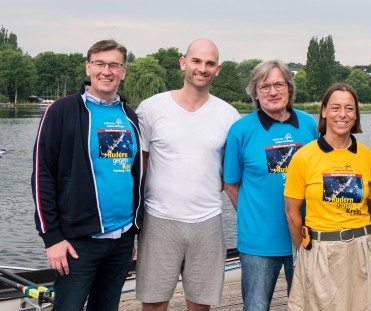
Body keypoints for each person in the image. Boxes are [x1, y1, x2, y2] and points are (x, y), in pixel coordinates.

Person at [32, 39, 143, 311]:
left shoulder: (129, 116)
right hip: (77, 242)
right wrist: (52, 238)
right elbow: (41, 176)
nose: (107, 71)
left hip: (122, 239)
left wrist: (134, 231)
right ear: (88, 68)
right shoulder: (61, 110)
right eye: (100, 64)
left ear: (123, 71)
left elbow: (134, 174)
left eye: (114, 65)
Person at [135, 39, 240, 311]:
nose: (202, 68)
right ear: (184, 63)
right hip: (159, 219)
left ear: (218, 69)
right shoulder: (151, 108)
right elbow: (139, 169)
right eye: (196, 61)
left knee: (200, 305)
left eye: (209, 63)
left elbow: (232, 173)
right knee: (154, 303)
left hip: (207, 220)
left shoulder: (229, 116)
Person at [223, 60, 318, 310]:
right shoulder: (240, 131)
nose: (273, 92)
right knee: (256, 306)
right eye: (265, 86)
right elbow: (231, 184)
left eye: (279, 84)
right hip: (258, 242)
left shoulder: (309, 125)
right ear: (255, 92)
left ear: (289, 88)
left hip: (305, 237)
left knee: (306, 306)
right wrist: (254, 216)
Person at [284, 83, 371, 311]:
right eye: (336, 107)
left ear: (356, 114)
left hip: (360, 249)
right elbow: (292, 213)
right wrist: (304, 249)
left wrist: (367, 240)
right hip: (320, 250)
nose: (342, 114)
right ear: (323, 111)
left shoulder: (368, 157)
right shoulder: (303, 157)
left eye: (349, 108)